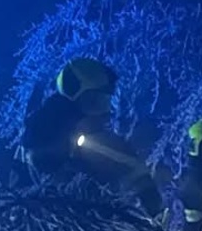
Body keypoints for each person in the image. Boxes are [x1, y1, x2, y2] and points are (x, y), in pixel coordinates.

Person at [20, 58, 164, 218]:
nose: (105, 112)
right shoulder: (85, 140)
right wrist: (153, 206)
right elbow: (131, 167)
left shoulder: (38, 131)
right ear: (76, 101)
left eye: (105, 101)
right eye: (94, 101)